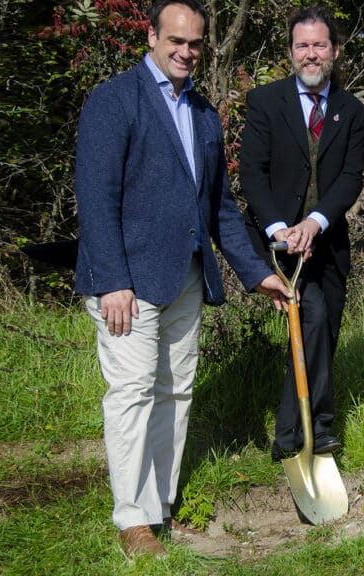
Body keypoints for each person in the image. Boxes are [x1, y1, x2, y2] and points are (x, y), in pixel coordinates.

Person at [74, 0, 289, 559]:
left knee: (175, 391)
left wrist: (257, 273)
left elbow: (219, 207)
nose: (186, 52)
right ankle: (132, 521)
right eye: (175, 40)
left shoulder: (204, 113)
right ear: (150, 36)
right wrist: (112, 280)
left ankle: (161, 511)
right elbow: (96, 200)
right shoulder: (114, 101)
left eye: (195, 43)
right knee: (132, 393)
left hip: (187, 278)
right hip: (128, 283)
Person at [239, 6, 364, 462]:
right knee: (309, 317)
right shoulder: (265, 101)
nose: (311, 54)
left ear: (333, 50)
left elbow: (351, 177)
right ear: (291, 52)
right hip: (278, 243)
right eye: (302, 46)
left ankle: (290, 437)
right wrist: (281, 229)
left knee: (324, 330)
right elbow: (252, 174)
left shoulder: (351, 110)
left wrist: (315, 222)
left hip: (328, 240)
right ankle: (315, 430)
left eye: (319, 45)